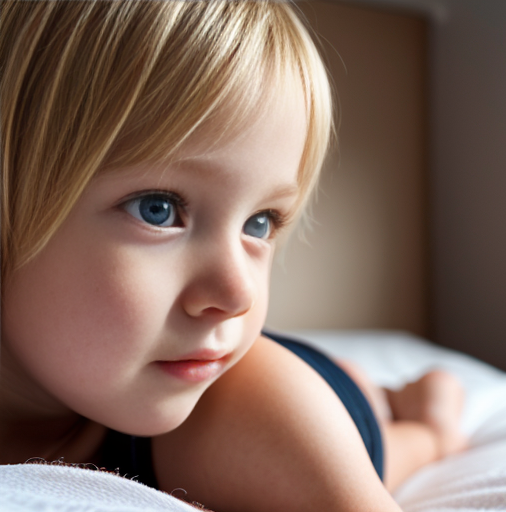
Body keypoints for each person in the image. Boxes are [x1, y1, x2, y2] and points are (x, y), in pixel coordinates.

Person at [0, 2, 466, 511]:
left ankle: (418, 414)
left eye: (260, 222)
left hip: (275, 399)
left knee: (373, 437)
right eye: (157, 210)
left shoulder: (248, 417)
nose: (238, 293)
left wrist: (427, 436)